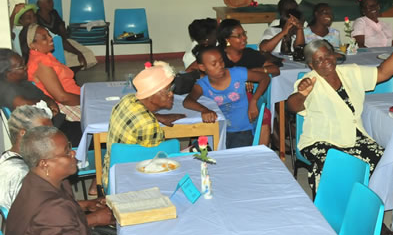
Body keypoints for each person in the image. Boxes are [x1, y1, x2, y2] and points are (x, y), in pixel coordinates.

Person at [288, 32, 393, 235]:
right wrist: (302, 94)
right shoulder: (309, 82)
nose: (325, 62)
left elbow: (383, 73)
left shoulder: (350, 72)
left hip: (354, 136)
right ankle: (328, 221)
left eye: (328, 56)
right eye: (318, 60)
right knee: (335, 164)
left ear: (334, 55)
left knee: (381, 160)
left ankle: (371, 217)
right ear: (311, 65)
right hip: (321, 139)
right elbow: (292, 106)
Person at [102, 61, 186, 190]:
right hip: (132, 184)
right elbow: (156, 164)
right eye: (168, 90)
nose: (171, 94)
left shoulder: (128, 100)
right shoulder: (148, 124)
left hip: (112, 176)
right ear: (151, 95)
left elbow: (138, 117)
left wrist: (158, 117)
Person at [183, 47, 270, 148]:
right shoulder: (202, 84)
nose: (220, 66)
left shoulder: (237, 73)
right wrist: (204, 110)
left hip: (241, 131)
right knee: (199, 156)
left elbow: (265, 78)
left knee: (232, 159)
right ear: (202, 67)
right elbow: (188, 101)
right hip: (217, 130)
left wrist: (254, 100)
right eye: (214, 64)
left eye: (221, 61)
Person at [0, 49, 82, 146]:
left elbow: (43, 96)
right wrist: (47, 105)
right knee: (97, 135)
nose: (26, 67)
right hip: (52, 137)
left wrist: (49, 103)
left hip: (60, 126)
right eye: (21, 66)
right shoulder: (8, 90)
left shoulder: (21, 80)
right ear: (7, 73)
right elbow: (24, 104)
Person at [21, 24, 82, 122]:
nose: (50, 38)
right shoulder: (41, 63)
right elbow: (62, 97)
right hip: (66, 106)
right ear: (32, 45)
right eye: (44, 37)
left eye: (49, 35)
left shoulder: (45, 57)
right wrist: (86, 99)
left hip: (74, 99)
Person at [0, 105, 52, 213]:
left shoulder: (7, 157)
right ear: (23, 134)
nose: (51, 138)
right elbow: (43, 218)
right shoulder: (21, 173)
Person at [30, 0, 97, 71]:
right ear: (40, 4)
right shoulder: (36, 19)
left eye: (52, 0)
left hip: (63, 42)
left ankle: (68, 72)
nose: (52, 3)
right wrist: (78, 53)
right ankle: (66, 72)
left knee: (88, 54)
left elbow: (63, 35)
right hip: (51, 47)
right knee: (73, 57)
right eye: (49, 1)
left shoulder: (54, 13)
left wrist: (64, 33)